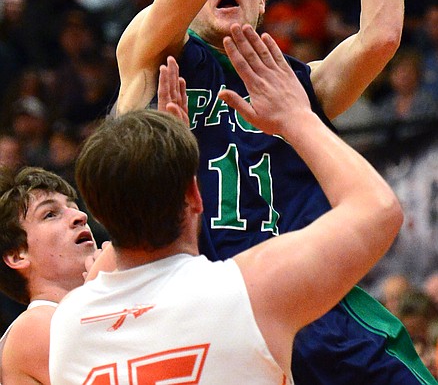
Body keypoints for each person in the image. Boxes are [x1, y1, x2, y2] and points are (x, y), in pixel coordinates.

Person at [115, 0, 434, 385]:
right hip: (204, 317)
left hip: (316, 311)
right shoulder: (150, 53)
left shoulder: (296, 83)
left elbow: (380, 36)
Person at [50, 24, 403, 384]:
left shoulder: (68, 325)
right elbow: (378, 207)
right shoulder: (247, 291)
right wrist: (297, 117)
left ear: (96, 213)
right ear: (196, 194)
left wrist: (169, 163)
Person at [0, 166, 97, 385]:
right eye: (50, 214)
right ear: (17, 255)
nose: (80, 216)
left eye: (73, 207)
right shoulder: (35, 325)